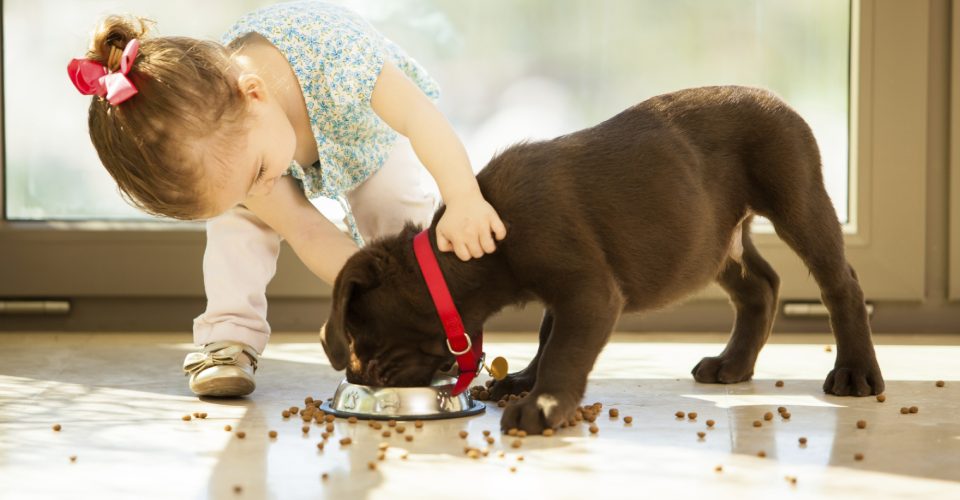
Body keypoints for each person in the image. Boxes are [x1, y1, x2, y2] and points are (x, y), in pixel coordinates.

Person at [68, 1, 506, 397]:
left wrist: (463, 196)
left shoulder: (340, 58)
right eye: (243, 188)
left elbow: (419, 116)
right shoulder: (237, 149)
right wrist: (363, 293)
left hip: (364, 131)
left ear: (255, 94)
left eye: (257, 175)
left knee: (394, 203)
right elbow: (305, 229)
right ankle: (228, 336)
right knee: (237, 225)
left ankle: (420, 327)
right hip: (262, 142)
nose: (260, 191)